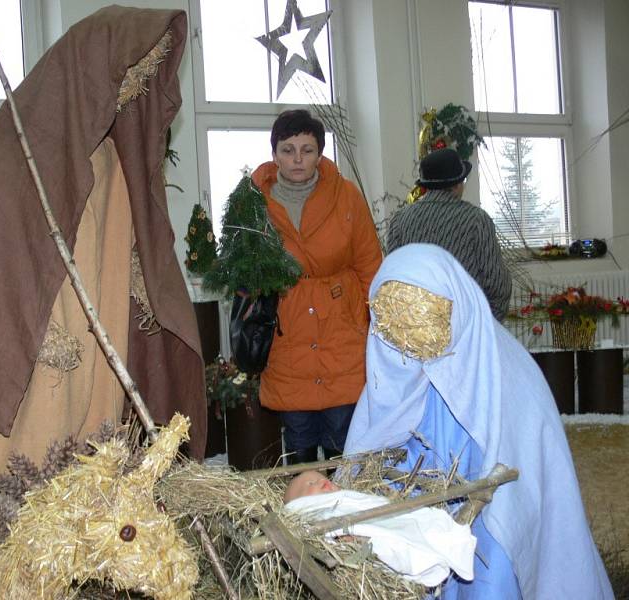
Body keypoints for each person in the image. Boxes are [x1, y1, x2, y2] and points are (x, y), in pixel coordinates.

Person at [0, 8, 206, 523]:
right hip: (20, 390)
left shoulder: (115, 174)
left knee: (86, 522)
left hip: (100, 377)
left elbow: (138, 269)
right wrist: (39, 336)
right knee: (3, 520)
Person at [343, 243, 613, 599]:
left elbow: (518, 493)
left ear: (455, 308)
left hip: (491, 509)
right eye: (396, 329)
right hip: (424, 514)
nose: (409, 345)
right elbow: (381, 435)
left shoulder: (509, 378)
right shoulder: (396, 356)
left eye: (425, 322)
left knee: (491, 566)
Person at [250, 109, 382, 464]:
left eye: (307, 150)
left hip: (342, 331)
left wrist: (379, 328)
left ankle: (350, 516)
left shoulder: (348, 196)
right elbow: (243, 273)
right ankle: (305, 517)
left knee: (346, 442)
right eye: (288, 149)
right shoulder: (253, 203)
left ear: (320, 153)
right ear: (274, 153)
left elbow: (371, 266)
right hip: (287, 334)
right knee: (299, 444)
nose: (297, 159)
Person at [283, 470, 477, 587]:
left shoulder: (343, 497)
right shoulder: (315, 512)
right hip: (363, 535)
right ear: (301, 504)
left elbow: (367, 504)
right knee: (388, 542)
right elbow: (329, 525)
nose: (319, 481)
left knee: (417, 522)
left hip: (381, 519)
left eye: (319, 478)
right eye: (309, 484)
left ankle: (423, 538)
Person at [387, 148, 512, 321]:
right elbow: (497, 284)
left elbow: (391, 280)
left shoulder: (399, 220)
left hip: (417, 329)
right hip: (467, 325)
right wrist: (488, 325)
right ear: (457, 184)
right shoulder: (477, 220)